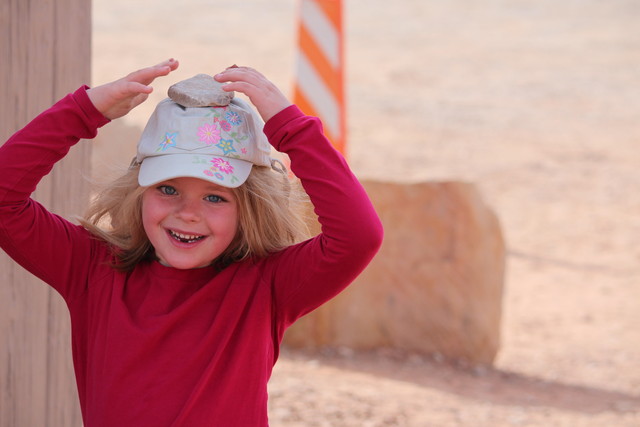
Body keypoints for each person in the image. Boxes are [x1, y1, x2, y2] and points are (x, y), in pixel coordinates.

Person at [0, 59, 383, 426]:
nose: (188, 212)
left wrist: (289, 125)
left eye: (215, 197)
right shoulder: (92, 269)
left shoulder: (266, 286)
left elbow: (358, 237)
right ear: (138, 194)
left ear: (248, 209)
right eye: (168, 189)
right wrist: (83, 111)